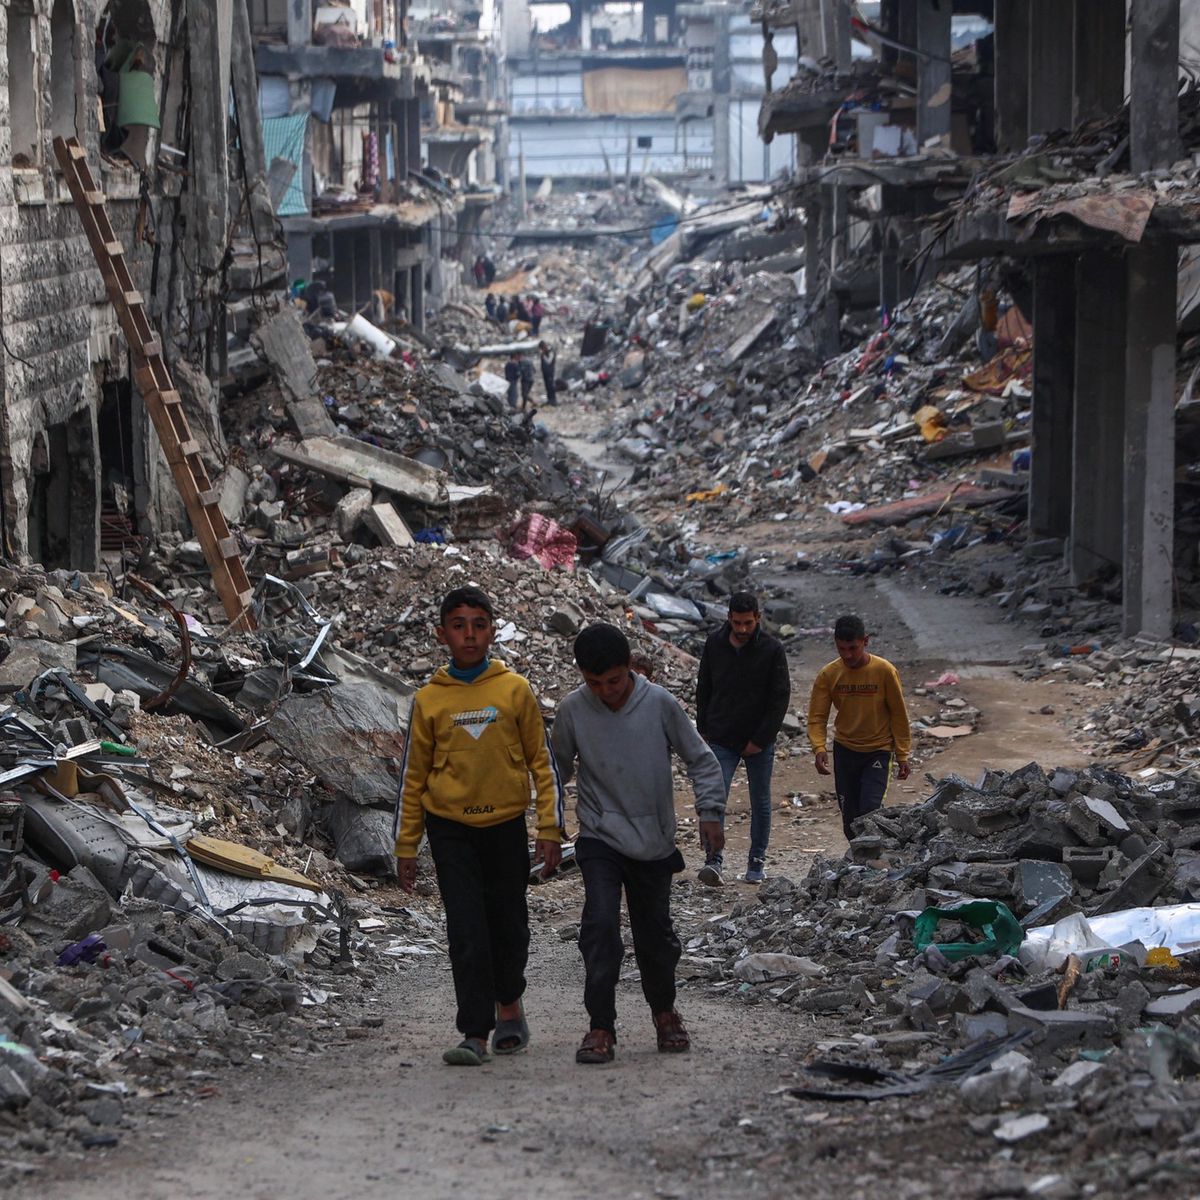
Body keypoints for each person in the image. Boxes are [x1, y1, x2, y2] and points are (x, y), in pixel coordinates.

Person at [394, 586, 563, 1066]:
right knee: (466, 929)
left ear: (493, 629)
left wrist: (548, 828)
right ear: (441, 633)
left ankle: (509, 1002)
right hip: (450, 830)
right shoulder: (429, 700)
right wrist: (407, 846)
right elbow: (413, 777)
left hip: (505, 826)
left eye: (479, 624)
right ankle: (474, 1031)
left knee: (508, 924)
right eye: (458, 625)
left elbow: (542, 764)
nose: (469, 635)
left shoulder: (515, 691)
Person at [552, 623, 726, 1065]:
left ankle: (665, 1013)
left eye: (613, 681)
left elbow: (701, 760)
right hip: (599, 837)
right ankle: (600, 1026)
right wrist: (547, 824)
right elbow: (554, 769)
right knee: (600, 926)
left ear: (629, 667)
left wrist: (710, 812)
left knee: (655, 936)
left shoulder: (660, 704)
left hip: (652, 840)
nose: (606, 692)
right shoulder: (573, 710)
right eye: (594, 683)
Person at [695, 592, 790, 886]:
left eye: (748, 623)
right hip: (721, 736)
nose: (743, 629)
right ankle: (714, 860)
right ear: (729, 618)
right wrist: (704, 726)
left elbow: (780, 699)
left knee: (760, 802)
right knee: (715, 799)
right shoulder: (715, 644)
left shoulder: (772, 649)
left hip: (758, 740)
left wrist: (761, 739)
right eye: (737, 623)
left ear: (758, 618)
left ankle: (757, 860)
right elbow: (704, 686)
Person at [807, 614, 912, 842]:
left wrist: (903, 754)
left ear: (866, 641)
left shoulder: (884, 671)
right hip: (845, 751)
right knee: (850, 820)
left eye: (853, 648)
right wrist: (819, 748)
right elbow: (817, 717)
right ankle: (860, 866)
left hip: (878, 751)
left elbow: (898, 714)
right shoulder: (829, 675)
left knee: (870, 813)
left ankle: (872, 863)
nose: (848, 655)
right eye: (841, 649)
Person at [539, 341, 558, 407]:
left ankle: (553, 401)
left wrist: (543, 355)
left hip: (550, 372)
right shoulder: (544, 353)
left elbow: (549, 361)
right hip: (546, 372)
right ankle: (549, 400)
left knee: (551, 386)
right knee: (547, 386)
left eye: (542, 348)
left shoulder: (551, 351)